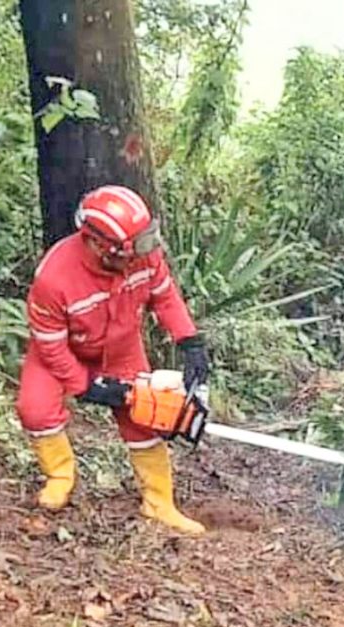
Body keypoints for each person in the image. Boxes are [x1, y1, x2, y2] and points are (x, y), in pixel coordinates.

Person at [15, 184, 209, 535]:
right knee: (35, 409)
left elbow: (165, 297)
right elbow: (51, 346)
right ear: (99, 244)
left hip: (121, 349)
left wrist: (189, 340)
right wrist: (86, 386)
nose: (144, 254)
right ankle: (60, 476)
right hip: (62, 352)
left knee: (144, 416)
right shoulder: (54, 278)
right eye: (134, 248)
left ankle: (159, 503)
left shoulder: (144, 255)